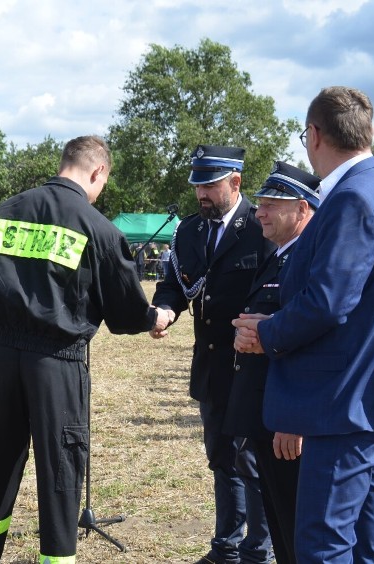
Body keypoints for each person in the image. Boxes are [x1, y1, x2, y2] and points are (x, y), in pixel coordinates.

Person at [0, 135, 175, 563]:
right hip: (57, 363)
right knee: (60, 470)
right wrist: (154, 319)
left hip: (1, 360)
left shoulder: (4, 214)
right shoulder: (97, 228)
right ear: (98, 172)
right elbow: (126, 311)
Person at [232, 86, 374, 562]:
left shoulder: (352, 198)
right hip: (369, 397)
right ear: (368, 131)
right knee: (366, 544)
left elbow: (328, 302)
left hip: (345, 403)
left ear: (314, 135)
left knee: (323, 544)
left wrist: (265, 333)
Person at [152, 144, 275, 564]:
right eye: (197, 186)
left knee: (252, 462)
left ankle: (258, 551)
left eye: (210, 185)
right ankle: (226, 547)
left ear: (235, 182)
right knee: (221, 458)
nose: (201, 194)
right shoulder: (189, 231)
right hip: (210, 363)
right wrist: (166, 309)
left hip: (251, 364)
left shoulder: (261, 228)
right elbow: (175, 282)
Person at [224, 161, 321, 564]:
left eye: (271, 204)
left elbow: (312, 342)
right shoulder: (280, 255)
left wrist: (293, 417)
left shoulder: (306, 258)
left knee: (295, 525)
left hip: (285, 415)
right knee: (281, 523)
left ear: (302, 210)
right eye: (260, 203)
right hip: (266, 409)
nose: (259, 212)